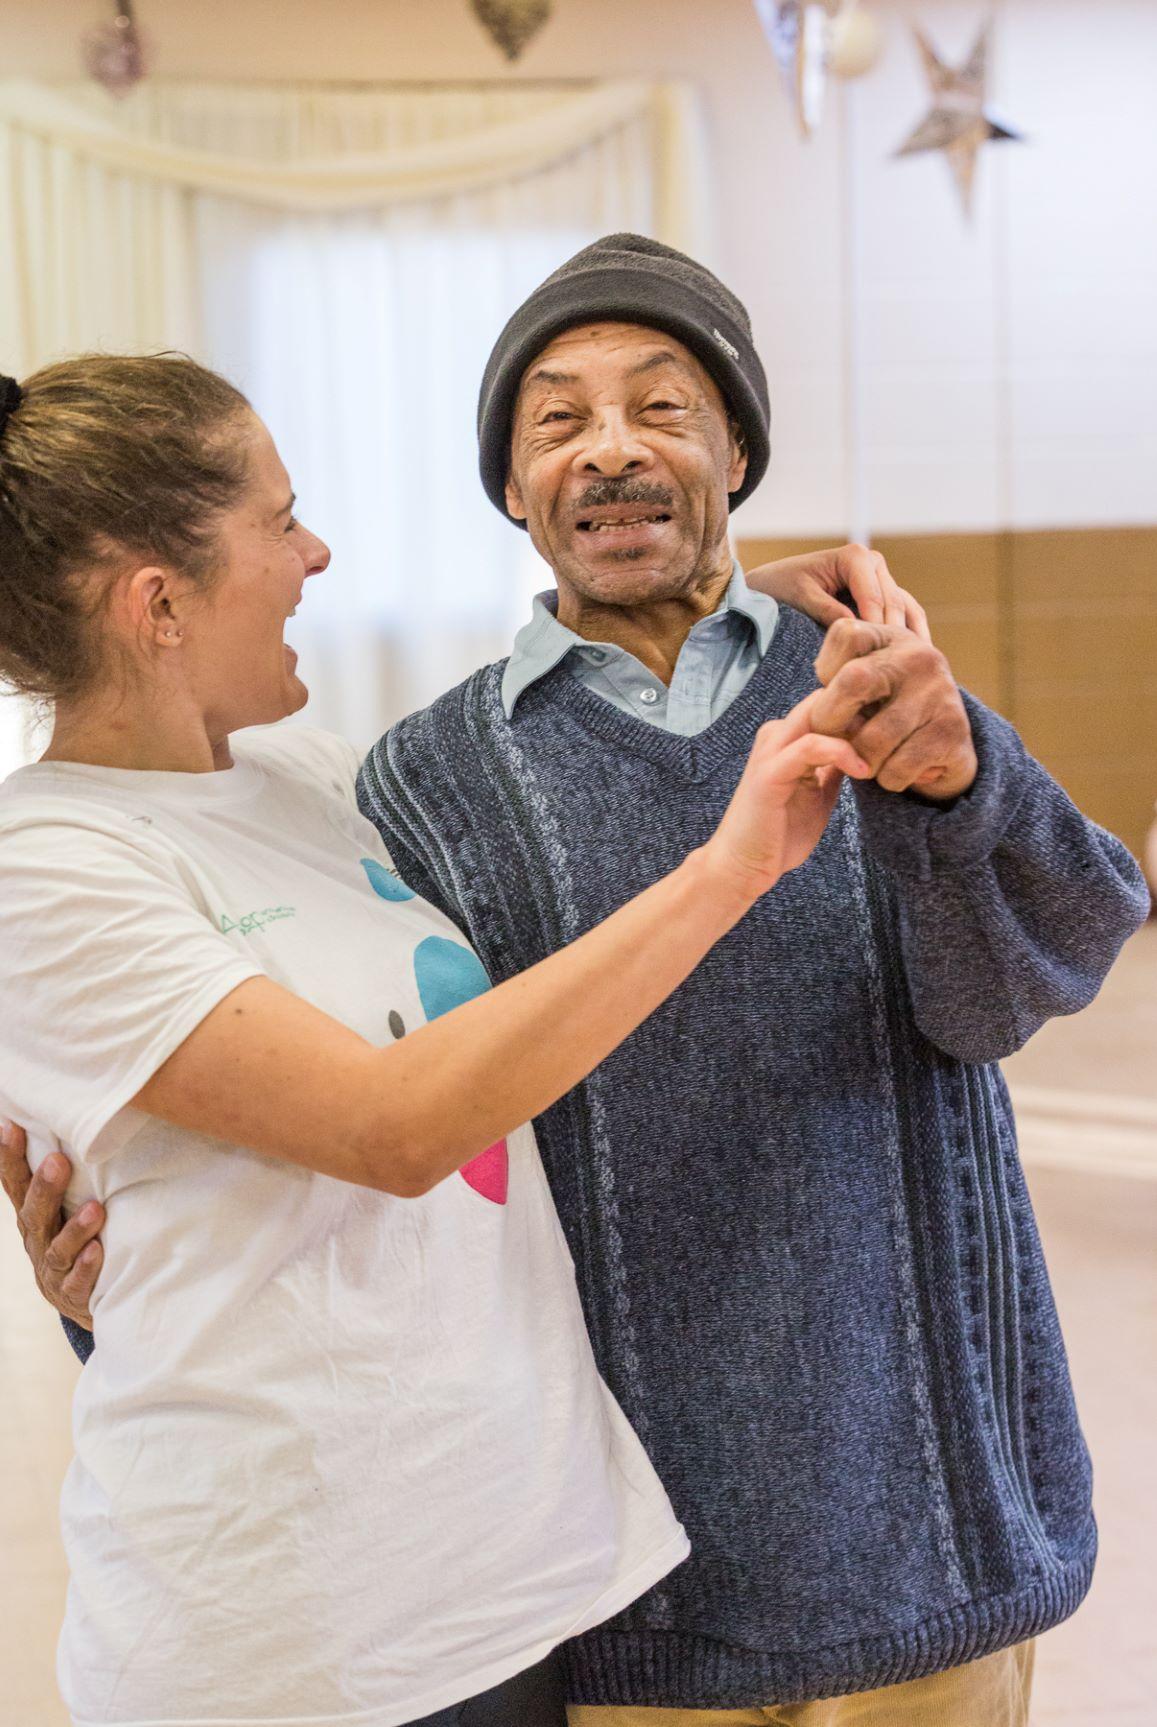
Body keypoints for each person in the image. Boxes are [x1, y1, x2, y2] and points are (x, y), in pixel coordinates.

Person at [10, 233, 1147, 1727]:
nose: (610, 449)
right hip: (619, 1595)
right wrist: (114, 1269)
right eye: (557, 421)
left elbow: (1032, 971)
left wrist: (949, 767)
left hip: (920, 1542)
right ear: (511, 487)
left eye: (664, 409)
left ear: (739, 454)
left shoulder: (860, 690)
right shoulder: (414, 780)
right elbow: (380, 1119)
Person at [0, 353, 877, 1727]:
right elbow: (391, 1125)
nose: (316, 554)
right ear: (158, 604)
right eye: (281, 520)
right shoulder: (46, 866)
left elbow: (513, 755)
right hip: (292, 1644)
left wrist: (718, 610)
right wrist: (731, 870)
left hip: (492, 1588)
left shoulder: (300, 780)